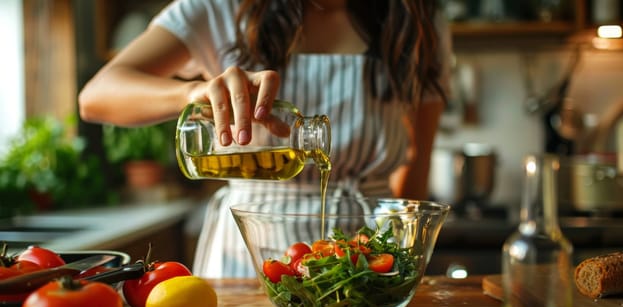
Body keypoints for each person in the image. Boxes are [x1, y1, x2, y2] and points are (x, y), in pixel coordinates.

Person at [78, 0, 452, 278]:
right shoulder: (220, 8)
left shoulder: (416, 19)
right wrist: (190, 94)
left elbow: (415, 163)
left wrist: (401, 265)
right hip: (245, 258)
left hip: (361, 261)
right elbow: (96, 96)